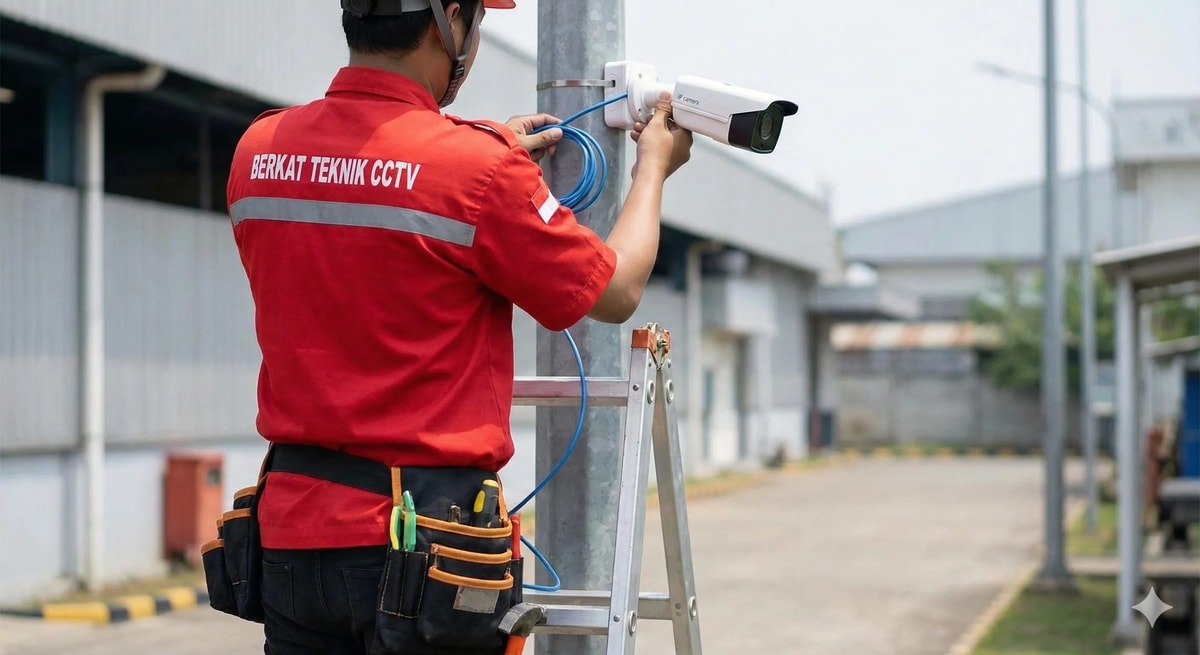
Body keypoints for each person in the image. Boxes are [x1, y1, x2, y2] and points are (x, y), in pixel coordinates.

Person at [224, 0, 692, 653]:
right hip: (426, 547)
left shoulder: (258, 150)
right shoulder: (479, 170)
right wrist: (653, 169)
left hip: (293, 536)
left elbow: (375, 188)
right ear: (449, 19)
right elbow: (616, 291)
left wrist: (481, 155)